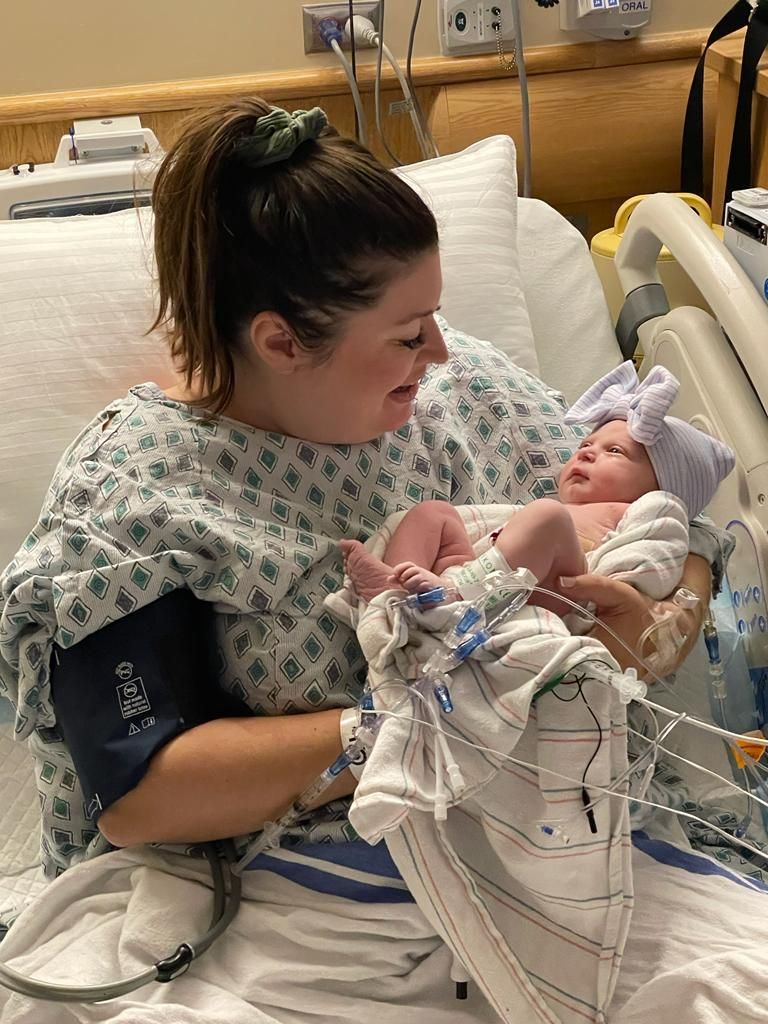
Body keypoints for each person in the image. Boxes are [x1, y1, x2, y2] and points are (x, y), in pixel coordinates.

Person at [0, 99, 725, 1021]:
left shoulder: (471, 392)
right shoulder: (140, 498)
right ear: (280, 341)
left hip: (564, 848)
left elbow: (664, 513)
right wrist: (397, 725)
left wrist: (662, 624)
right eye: (408, 331)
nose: (442, 349)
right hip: (306, 897)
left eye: (436, 314)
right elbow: (140, 791)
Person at [340, 362, 735, 622]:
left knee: (547, 517)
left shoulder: (654, 508)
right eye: (586, 445)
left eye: (614, 451)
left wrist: (617, 584)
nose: (587, 453)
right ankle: (395, 589)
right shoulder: (550, 506)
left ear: (663, 484)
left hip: (559, 597)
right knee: (434, 512)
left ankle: (452, 594)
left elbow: (653, 565)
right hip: (487, 574)